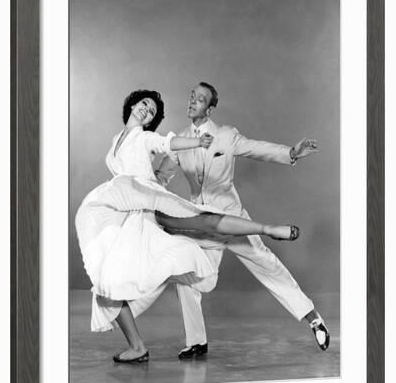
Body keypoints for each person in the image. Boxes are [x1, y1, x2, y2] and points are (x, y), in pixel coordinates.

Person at [75, 89, 299, 363]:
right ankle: (137, 347)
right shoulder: (115, 141)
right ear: (133, 104)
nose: (147, 110)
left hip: (147, 203)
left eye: (153, 111)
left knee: (200, 217)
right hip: (126, 211)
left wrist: (195, 144)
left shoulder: (145, 137)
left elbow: (168, 143)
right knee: (106, 285)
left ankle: (267, 229)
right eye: (144, 104)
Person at [155, 82, 330, 359]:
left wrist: (291, 153)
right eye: (192, 97)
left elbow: (257, 149)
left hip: (234, 221)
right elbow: (161, 177)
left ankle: (314, 320)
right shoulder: (181, 141)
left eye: (199, 99)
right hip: (201, 225)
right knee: (186, 275)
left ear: (210, 109)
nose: (192, 102)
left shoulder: (226, 136)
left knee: (269, 266)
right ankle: (197, 341)